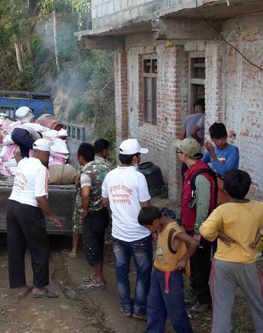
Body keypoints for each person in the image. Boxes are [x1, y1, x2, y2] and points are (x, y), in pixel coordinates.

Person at [200, 169, 263, 333]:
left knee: (221, 307)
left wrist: (219, 234)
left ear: (225, 190)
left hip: (223, 264)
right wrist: (262, 234)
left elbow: (205, 231)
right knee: (258, 302)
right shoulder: (259, 207)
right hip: (248, 264)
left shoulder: (222, 210)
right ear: (247, 188)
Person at [101, 138, 153, 320]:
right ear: (136, 159)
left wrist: (118, 201)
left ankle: (126, 307)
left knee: (122, 271)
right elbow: (146, 206)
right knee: (143, 272)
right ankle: (139, 310)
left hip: (118, 235)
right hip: (139, 235)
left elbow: (105, 200)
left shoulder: (110, 176)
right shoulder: (138, 177)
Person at [6, 138, 63, 299]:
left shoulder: (24, 163)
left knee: (15, 248)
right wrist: (53, 216)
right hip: (28, 209)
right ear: (45, 154)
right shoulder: (41, 170)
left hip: (12, 206)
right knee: (40, 248)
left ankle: (21, 287)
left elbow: (18, 157)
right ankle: (39, 287)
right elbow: (40, 198)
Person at [138, 206, 198, 333]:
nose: (149, 231)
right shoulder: (160, 225)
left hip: (170, 277)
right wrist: (155, 232)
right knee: (154, 307)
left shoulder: (172, 229)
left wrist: (184, 260)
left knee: (175, 311)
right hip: (158, 272)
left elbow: (193, 243)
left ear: (155, 222)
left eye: (148, 228)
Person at [174, 137, 216, 314]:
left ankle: (203, 300)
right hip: (191, 227)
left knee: (200, 265)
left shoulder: (201, 176)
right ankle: (197, 293)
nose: (177, 154)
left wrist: (199, 231)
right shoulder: (193, 171)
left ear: (185, 155)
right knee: (195, 262)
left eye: (178, 151)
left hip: (199, 231)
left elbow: (202, 206)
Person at [74, 143, 111, 288]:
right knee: (99, 243)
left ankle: (99, 279)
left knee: (92, 246)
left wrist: (84, 210)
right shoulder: (105, 167)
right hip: (104, 212)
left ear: (80, 158)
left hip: (93, 215)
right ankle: (97, 275)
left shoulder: (86, 173)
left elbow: (86, 193)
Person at [179, 99, 205, 179]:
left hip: (187, 149)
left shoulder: (188, 118)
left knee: (185, 173)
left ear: (198, 106)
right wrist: (200, 142)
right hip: (199, 150)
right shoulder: (206, 117)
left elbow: (182, 136)